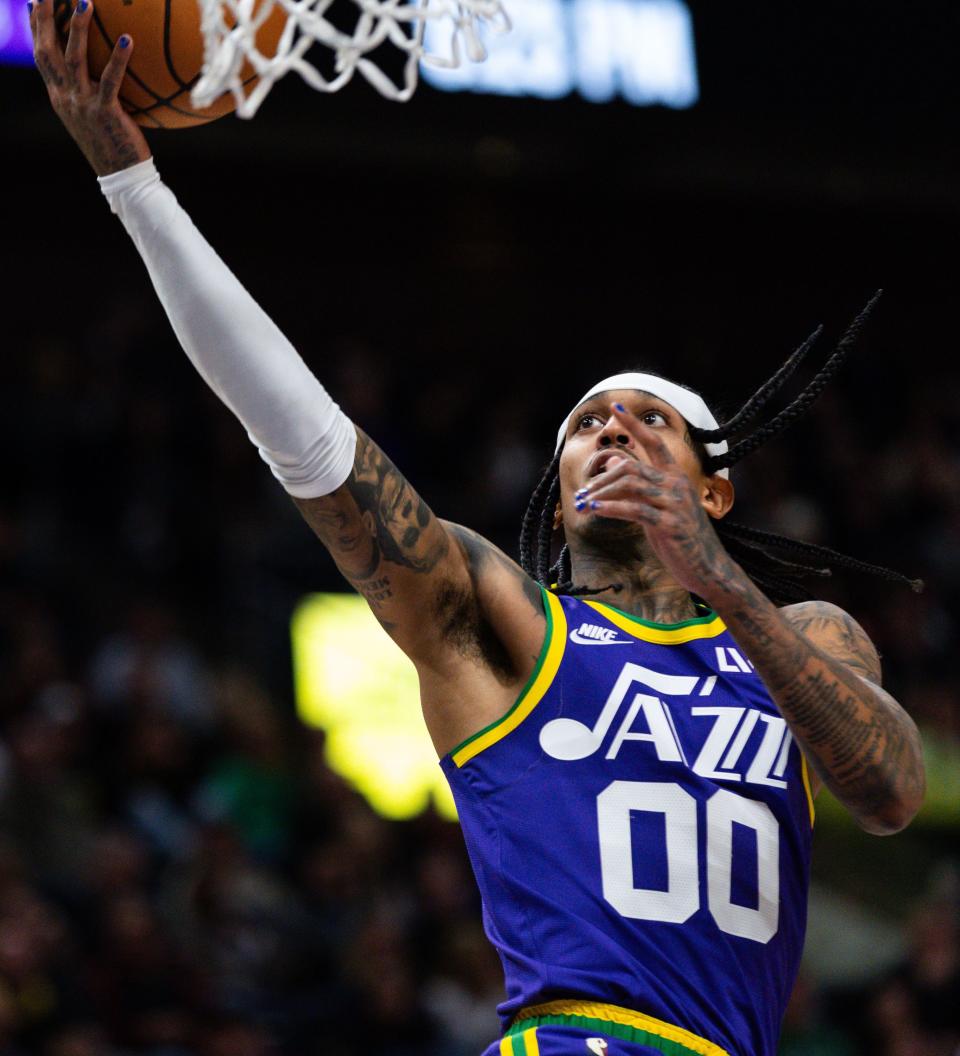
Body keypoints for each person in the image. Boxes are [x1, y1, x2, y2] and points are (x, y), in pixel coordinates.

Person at [29, 7, 926, 1056]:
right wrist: (134, 189)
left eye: (651, 420)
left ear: (715, 492)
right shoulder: (500, 624)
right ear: (558, 494)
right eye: (586, 423)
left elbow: (892, 794)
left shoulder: (808, 637)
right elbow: (305, 436)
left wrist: (724, 586)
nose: (613, 431)